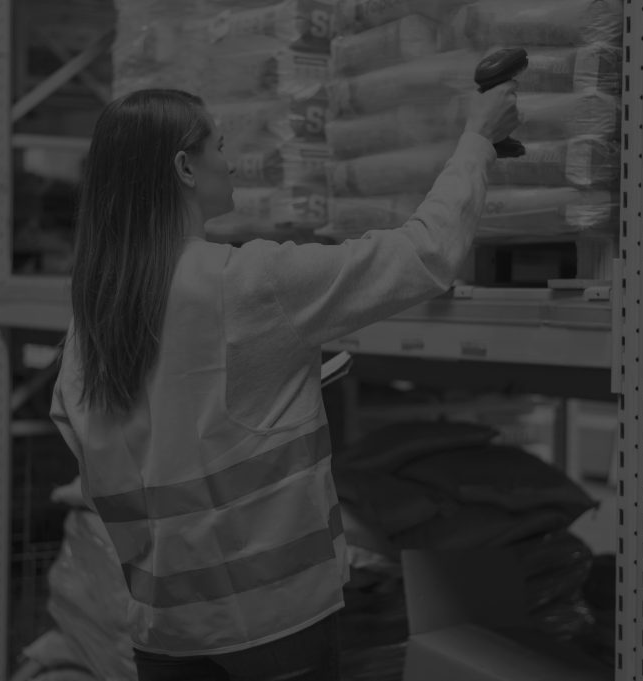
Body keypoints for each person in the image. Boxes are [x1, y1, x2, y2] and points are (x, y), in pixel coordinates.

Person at [50, 84, 520, 681]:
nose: (232, 160)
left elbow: (89, 432)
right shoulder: (249, 282)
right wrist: (478, 141)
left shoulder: (94, 310)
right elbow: (424, 254)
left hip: (164, 630)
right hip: (274, 626)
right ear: (184, 167)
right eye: (219, 146)